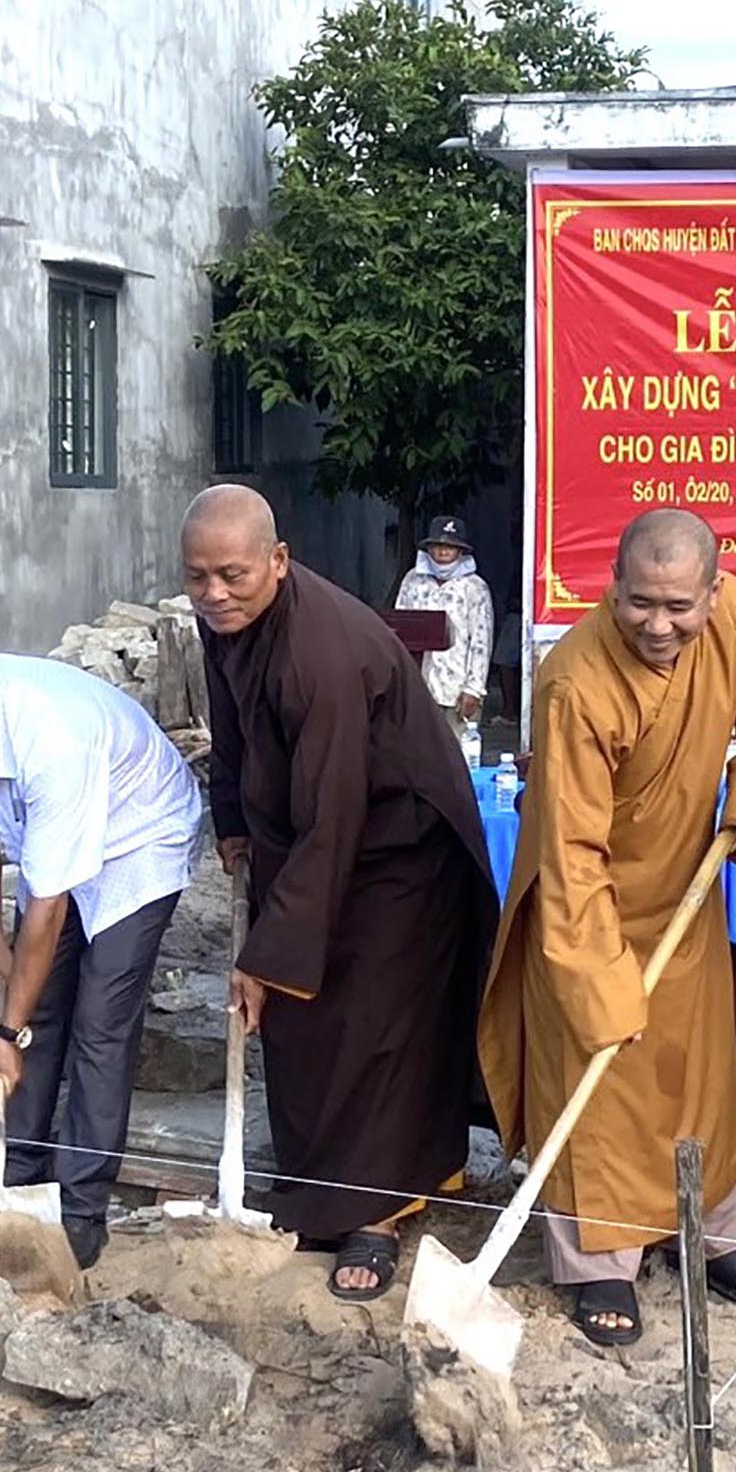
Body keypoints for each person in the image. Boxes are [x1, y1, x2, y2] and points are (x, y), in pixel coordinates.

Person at [479, 509, 736, 1345]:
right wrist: (601, 983)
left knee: (696, 1078)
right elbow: (569, 853)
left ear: (712, 590)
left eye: (678, 606)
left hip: (688, 895)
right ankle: (600, 1267)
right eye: (639, 605)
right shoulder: (575, 684)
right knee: (599, 1083)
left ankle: (711, 1240)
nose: (659, 626)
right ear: (611, 589)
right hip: (587, 905)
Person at [184, 485, 496, 1301]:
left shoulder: (318, 653)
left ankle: (375, 1211)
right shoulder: (226, 623)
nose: (215, 594)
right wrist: (231, 819)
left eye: (232, 575)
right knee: (306, 1022)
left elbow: (334, 813)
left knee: (372, 1023)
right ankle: (320, 1186)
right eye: (198, 578)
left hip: (399, 841)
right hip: (316, 828)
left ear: (277, 562)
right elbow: (234, 727)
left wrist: (264, 955)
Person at [0, 606, 200, 1269]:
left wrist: (4, 1036)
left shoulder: (53, 738)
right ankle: (15, 1175)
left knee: (100, 1017)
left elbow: (47, 910)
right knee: (37, 1001)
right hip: (55, 833)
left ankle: (80, 1213)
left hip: (138, 835)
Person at [393, 515, 494, 741]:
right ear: (429, 548)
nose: (443, 551)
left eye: (450, 546)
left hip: (456, 686)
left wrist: (474, 689)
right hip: (418, 683)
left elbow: (481, 640)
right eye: (438, 545)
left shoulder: (474, 587)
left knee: (456, 755)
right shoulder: (413, 580)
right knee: (416, 752)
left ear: (460, 551)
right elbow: (399, 629)